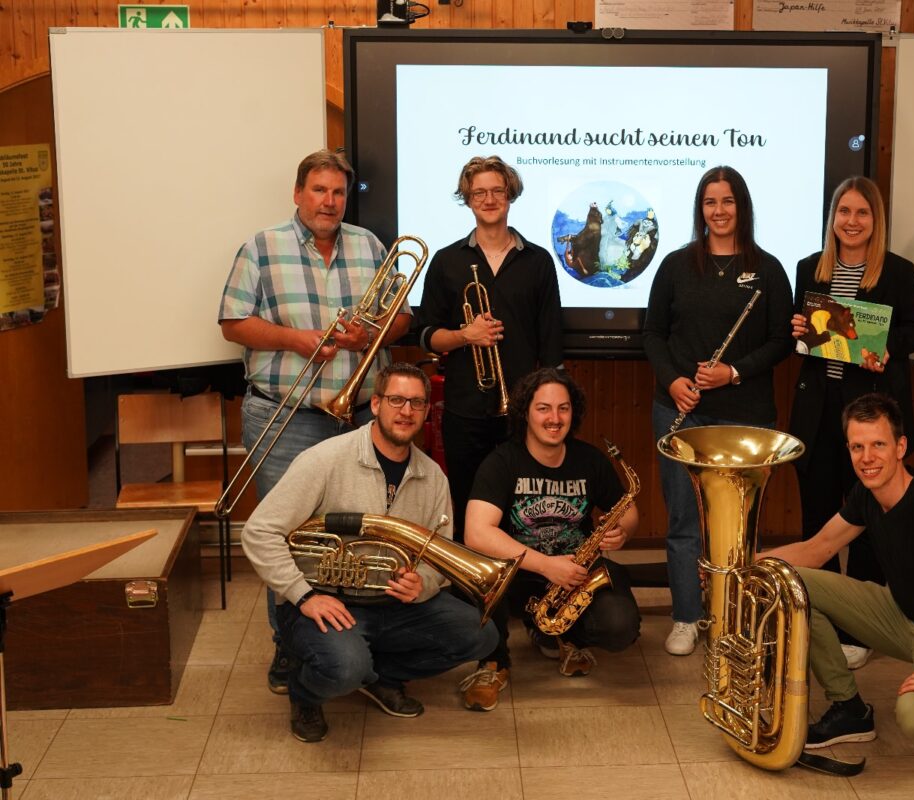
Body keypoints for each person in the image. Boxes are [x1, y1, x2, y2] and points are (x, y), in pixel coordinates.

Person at [219, 148, 413, 694]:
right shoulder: (261, 248)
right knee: (288, 535)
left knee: (363, 535)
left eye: (338, 192)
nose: (329, 201)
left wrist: (369, 335)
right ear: (298, 193)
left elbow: (401, 319)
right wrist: (296, 340)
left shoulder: (369, 246)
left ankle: (357, 643)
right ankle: (289, 648)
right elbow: (232, 322)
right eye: (319, 190)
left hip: (360, 417)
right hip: (287, 414)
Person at [240, 362, 498, 743]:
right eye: (396, 400)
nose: (406, 411)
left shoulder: (433, 478)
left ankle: (380, 677)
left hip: (392, 604)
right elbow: (259, 532)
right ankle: (304, 691)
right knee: (344, 667)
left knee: (483, 635)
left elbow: (439, 554)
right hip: (325, 601)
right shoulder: (324, 460)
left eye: (417, 403)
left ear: (426, 411)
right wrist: (303, 595)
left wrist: (423, 583)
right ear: (375, 404)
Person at [763, 393, 914, 764]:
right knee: (795, 584)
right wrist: (745, 562)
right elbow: (817, 549)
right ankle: (849, 709)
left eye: (878, 445)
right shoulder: (866, 495)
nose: (867, 457)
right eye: (857, 447)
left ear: (900, 447)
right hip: (903, 616)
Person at [642, 165, 793, 656]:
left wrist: (734, 372)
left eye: (728, 201)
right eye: (710, 202)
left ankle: (738, 619)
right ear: (700, 209)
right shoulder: (675, 265)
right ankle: (687, 617)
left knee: (741, 528)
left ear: (741, 206)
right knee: (684, 522)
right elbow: (653, 334)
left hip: (745, 416)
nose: (719, 211)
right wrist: (674, 381)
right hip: (681, 411)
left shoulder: (768, 269)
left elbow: (780, 341)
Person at [789, 175, 914, 669]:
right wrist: (798, 328)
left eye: (862, 213)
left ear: (876, 220)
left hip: (870, 413)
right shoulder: (810, 268)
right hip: (818, 410)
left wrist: (889, 347)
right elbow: (805, 335)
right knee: (818, 516)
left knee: (870, 518)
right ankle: (825, 614)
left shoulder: (897, 271)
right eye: (844, 212)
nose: (851, 221)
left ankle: (862, 624)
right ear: (833, 218)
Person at [459, 368, 640, 711]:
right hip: (517, 575)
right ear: (525, 412)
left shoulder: (590, 460)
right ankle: (494, 661)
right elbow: (477, 532)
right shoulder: (502, 462)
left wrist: (622, 530)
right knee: (484, 578)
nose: (554, 419)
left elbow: (628, 510)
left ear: (574, 412)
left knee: (620, 627)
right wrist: (545, 565)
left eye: (563, 408)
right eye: (543, 408)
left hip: (575, 575)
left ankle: (560, 633)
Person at [417, 155, 564, 544]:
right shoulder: (447, 261)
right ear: (467, 199)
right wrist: (466, 335)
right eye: (479, 192)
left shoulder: (538, 261)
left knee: (525, 509)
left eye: (497, 190)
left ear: (510, 194)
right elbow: (426, 334)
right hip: (465, 410)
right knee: (468, 503)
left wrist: (548, 402)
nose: (489, 199)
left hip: (523, 410)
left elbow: (551, 341)